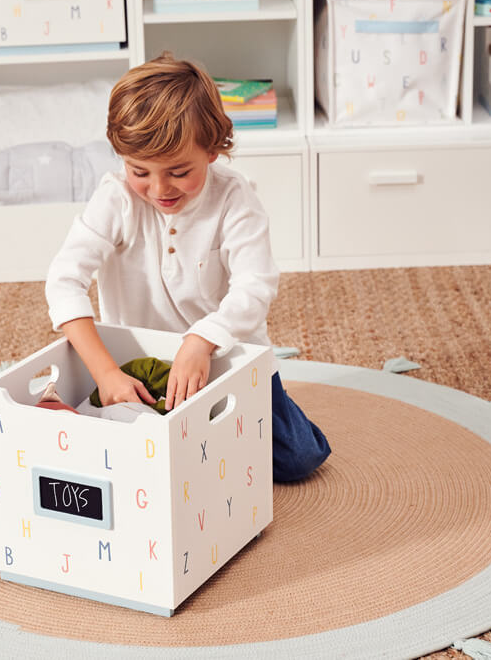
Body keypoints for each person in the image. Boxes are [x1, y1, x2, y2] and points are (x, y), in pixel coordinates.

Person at [45, 52, 330, 482]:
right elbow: (64, 281)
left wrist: (202, 341)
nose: (159, 189)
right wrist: (105, 372)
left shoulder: (235, 199)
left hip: (226, 356)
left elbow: (255, 287)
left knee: (298, 459)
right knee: (128, 463)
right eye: (140, 170)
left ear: (213, 150)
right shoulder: (116, 198)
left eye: (178, 171)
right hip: (142, 364)